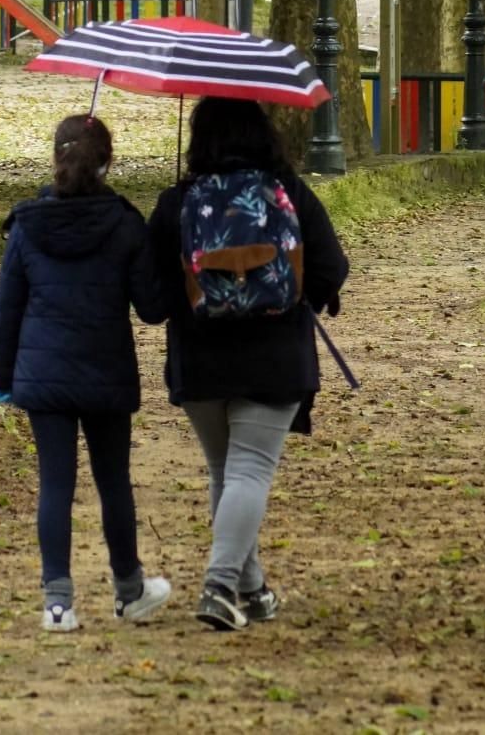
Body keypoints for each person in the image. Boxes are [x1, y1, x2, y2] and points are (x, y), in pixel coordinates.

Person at [147, 97, 349, 631]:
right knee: (249, 471)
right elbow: (331, 266)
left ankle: (252, 590)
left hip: (199, 359)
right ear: (264, 134)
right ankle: (219, 586)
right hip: (275, 356)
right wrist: (299, 297)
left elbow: (150, 300)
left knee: (226, 472)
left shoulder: (178, 201)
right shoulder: (290, 193)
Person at [0, 114, 172, 632]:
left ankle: (57, 603)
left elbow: (8, 310)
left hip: (42, 376)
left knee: (55, 483)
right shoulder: (125, 223)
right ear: (108, 162)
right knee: (113, 482)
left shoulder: (28, 224)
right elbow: (153, 309)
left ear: (56, 158)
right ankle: (129, 590)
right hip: (105, 372)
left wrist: (3, 381)